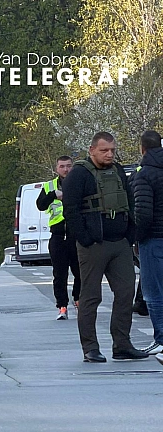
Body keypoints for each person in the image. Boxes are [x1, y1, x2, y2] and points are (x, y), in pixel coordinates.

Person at [62, 131, 148, 363]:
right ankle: (90, 348)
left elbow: (130, 201)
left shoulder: (118, 170)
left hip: (120, 243)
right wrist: (85, 238)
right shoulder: (79, 174)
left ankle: (122, 345)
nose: (109, 154)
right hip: (93, 245)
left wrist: (130, 234)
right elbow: (70, 210)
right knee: (91, 296)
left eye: (112, 150)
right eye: (104, 150)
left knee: (126, 293)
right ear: (92, 150)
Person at [36, 155, 81, 320]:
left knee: (80, 272)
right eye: (62, 166)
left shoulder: (79, 183)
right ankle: (62, 306)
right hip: (58, 235)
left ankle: (78, 300)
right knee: (59, 274)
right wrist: (53, 195)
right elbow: (40, 205)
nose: (66, 169)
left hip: (76, 235)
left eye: (68, 166)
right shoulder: (50, 186)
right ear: (57, 169)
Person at [133, 130, 163, 362]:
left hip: (153, 238)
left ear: (142, 148)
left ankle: (161, 339)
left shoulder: (144, 174)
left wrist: (136, 238)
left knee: (153, 292)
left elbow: (143, 212)